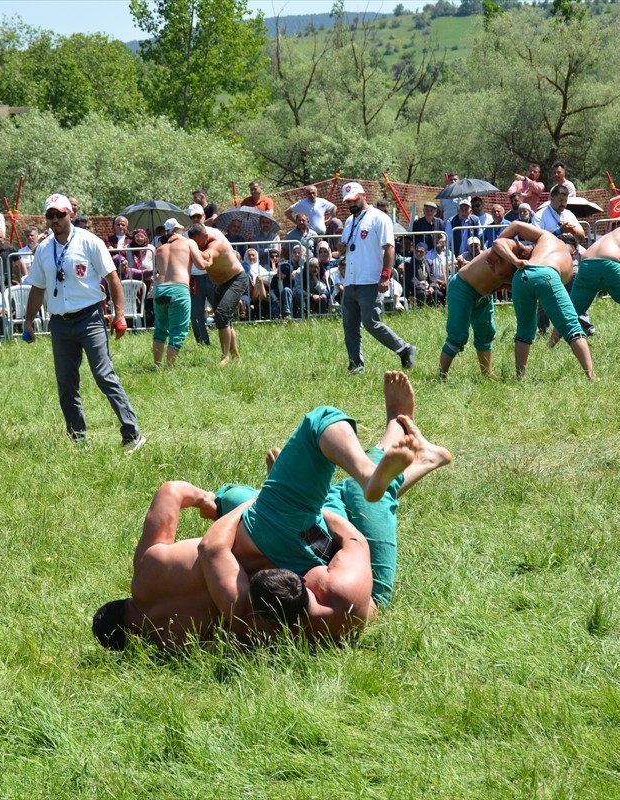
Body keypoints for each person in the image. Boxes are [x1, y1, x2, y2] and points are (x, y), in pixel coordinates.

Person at [93, 372, 452, 649]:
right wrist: (211, 500)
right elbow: (172, 494)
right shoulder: (145, 572)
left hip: (282, 587)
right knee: (318, 426)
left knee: (338, 498)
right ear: (120, 604)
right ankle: (374, 462)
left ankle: (411, 448)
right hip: (267, 530)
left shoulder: (176, 645)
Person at [22, 194, 145, 452]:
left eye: (60, 214)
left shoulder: (90, 241)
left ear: (71, 214)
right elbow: (37, 288)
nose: (55, 220)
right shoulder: (44, 249)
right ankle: (78, 438)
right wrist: (29, 321)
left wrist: (120, 315)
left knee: (103, 375)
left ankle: (132, 434)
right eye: (50, 216)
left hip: (89, 317)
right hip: (60, 323)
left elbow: (112, 278)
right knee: (66, 384)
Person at [494, 220, 596, 380]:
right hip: (548, 276)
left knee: (524, 330)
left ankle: (520, 377)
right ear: (574, 251)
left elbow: (515, 224)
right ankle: (591, 376)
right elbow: (558, 297)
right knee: (572, 325)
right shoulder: (570, 262)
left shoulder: (545, 236)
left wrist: (504, 254)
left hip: (521, 276)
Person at [338, 182, 416, 374]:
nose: (351, 204)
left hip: (371, 280)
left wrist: (385, 276)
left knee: (371, 323)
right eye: (348, 201)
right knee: (350, 327)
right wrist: (342, 253)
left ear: (364, 195)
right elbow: (349, 247)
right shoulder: (349, 221)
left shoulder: (379, 218)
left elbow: (389, 247)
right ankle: (355, 366)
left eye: (355, 199)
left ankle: (404, 349)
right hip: (351, 280)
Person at [438, 238, 530, 379]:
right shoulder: (513, 247)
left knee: (486, 333)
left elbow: (506, 284)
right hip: (463, 287)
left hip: (484, 295)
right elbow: (497, 244)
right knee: (457, 336)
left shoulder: (525, 269)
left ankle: (486, 374)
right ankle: (441, 376)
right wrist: (516, 261)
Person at [187, 221, 247, 366]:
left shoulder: (216, 244)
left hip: (236, 280)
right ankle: (235, 355)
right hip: (220, 284)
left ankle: (224, 357)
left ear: (206, 236)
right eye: (194, 243)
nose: (198, 246)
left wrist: (191, 248)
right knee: (225, 319)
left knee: (221, 314)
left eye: (199, 243)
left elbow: (206, 260)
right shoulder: (199, 244)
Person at [152, 218, 209, 368]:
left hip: (160, 289)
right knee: (178, 331)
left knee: (160, 329)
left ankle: (157, 366)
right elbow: (201, 265)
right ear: (180, 231)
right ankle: (169, 369)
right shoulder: (188, 243)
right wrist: (210, 260)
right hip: (178, 290)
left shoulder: (161, 248)